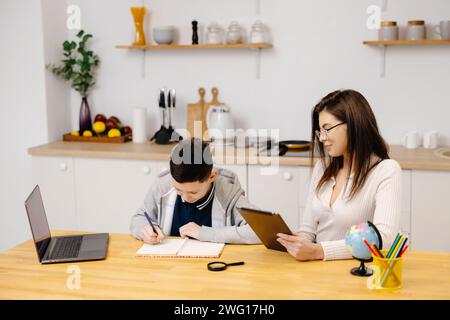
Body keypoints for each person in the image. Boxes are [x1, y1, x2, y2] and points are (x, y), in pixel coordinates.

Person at [277, 89, 402, 261]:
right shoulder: (323, 167)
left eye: (327, 129)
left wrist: (318, 251)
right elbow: (308, 230)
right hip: (315, 269)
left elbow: (384, 240)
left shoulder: (386, 170)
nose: (322, 138)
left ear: (353, 124)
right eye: (320, 131)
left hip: (356, 272)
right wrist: (296, 242)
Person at [130, 138, 260, 244]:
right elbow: (139, 218)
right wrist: (144, 230)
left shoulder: (227, 191)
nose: (185, 197)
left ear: (212, 177)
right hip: (169, 267)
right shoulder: (163, 184)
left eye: (193, 193)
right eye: (178, 190)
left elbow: (259, 231)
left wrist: (205, 233)